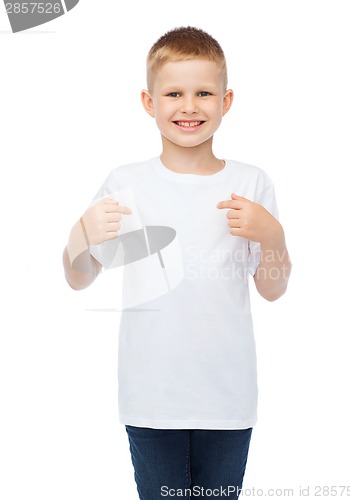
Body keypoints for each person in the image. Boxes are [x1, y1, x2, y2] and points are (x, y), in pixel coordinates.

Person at [63, 26, 291, 500]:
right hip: (152, 398)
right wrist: (77, 238)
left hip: (227, 397)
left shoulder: (251, 182)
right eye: (174, 93)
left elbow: (272, 290)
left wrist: (274, 236)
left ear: (226, 101)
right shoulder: (126, 181)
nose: (189, 106)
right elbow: (80, 278)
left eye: (203, 93)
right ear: (149, 102)